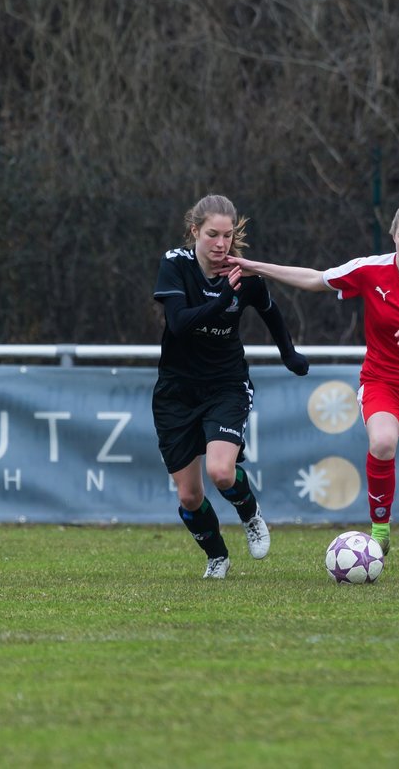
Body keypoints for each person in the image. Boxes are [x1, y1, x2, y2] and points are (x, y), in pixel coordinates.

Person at [229, 199, 399, 580]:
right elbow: (315, 279)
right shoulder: (371, 269)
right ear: (393, 236)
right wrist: (254, 266)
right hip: (383, 381)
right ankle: (380, 531)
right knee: (382, 442)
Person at [152, 194, 310, 579]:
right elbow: (179, 324)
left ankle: (250, 513)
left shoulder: (245, 274)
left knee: (222, 472)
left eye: (227, 235)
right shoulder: (175, 265)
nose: (221, 244)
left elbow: (270, 312)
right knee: (189, 495)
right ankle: (217, 556)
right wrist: (224, 298)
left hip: (226, 383)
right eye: (212, 235)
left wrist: (289, 354)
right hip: (176, 390)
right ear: (195, 231)